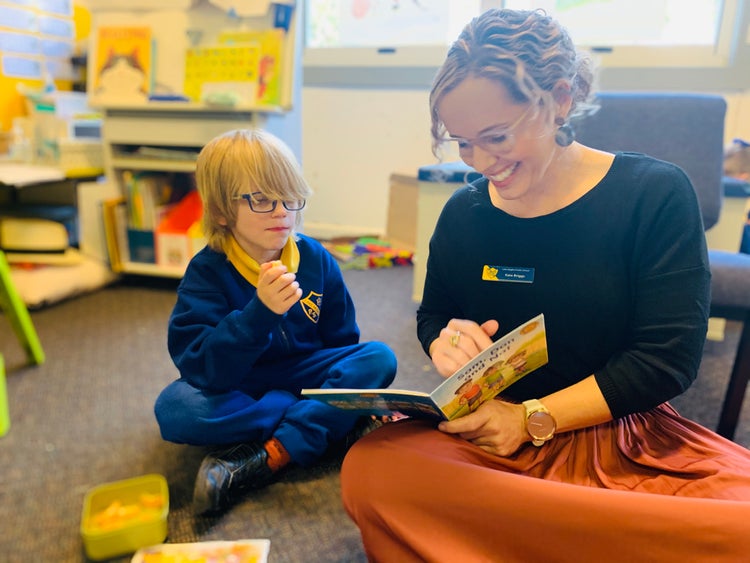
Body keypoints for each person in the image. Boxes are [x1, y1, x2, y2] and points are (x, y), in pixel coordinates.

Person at [341, 9, 750, 562]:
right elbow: (434, 313)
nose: (482, 163)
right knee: (373, 470)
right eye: (462, 143)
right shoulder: (463, 212)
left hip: (616, 435)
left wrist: (533, 419)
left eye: (497, 136)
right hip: (489, 435)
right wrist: (446, 340)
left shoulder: (653, 194)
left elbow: (666, 361)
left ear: (559, 98)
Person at [154, 129, 397, 515]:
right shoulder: (207, 272)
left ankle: (278, 447)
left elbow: (343, 344)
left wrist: (343, 377)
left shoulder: (315, 258)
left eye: (289, 197)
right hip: (241, 383)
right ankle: (318, 422)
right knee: (176, 409)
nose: (283, 211)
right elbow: (202, 369)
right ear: (220, 212)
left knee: (378, 358)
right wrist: (258, 315)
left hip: (305, 372)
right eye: (262, 200)